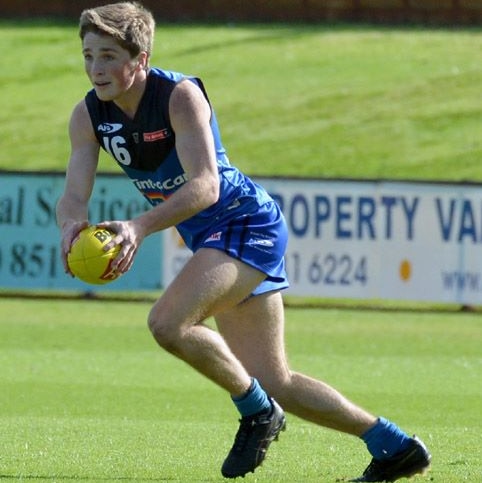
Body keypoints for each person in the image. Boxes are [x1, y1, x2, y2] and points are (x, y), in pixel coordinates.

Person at [56, 2, 431, 481]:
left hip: (245, 223)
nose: (96, 68)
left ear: (141, 58)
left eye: (108, 55)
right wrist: (71, 226)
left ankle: (257, 412)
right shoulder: (88, 115)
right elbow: (72, 196)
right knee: (279, 380)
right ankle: (395, 446)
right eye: (88, 55)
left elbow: (206, 186)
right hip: (213, 236)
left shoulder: (179, 96)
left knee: (168, 324)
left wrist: (138, 226)